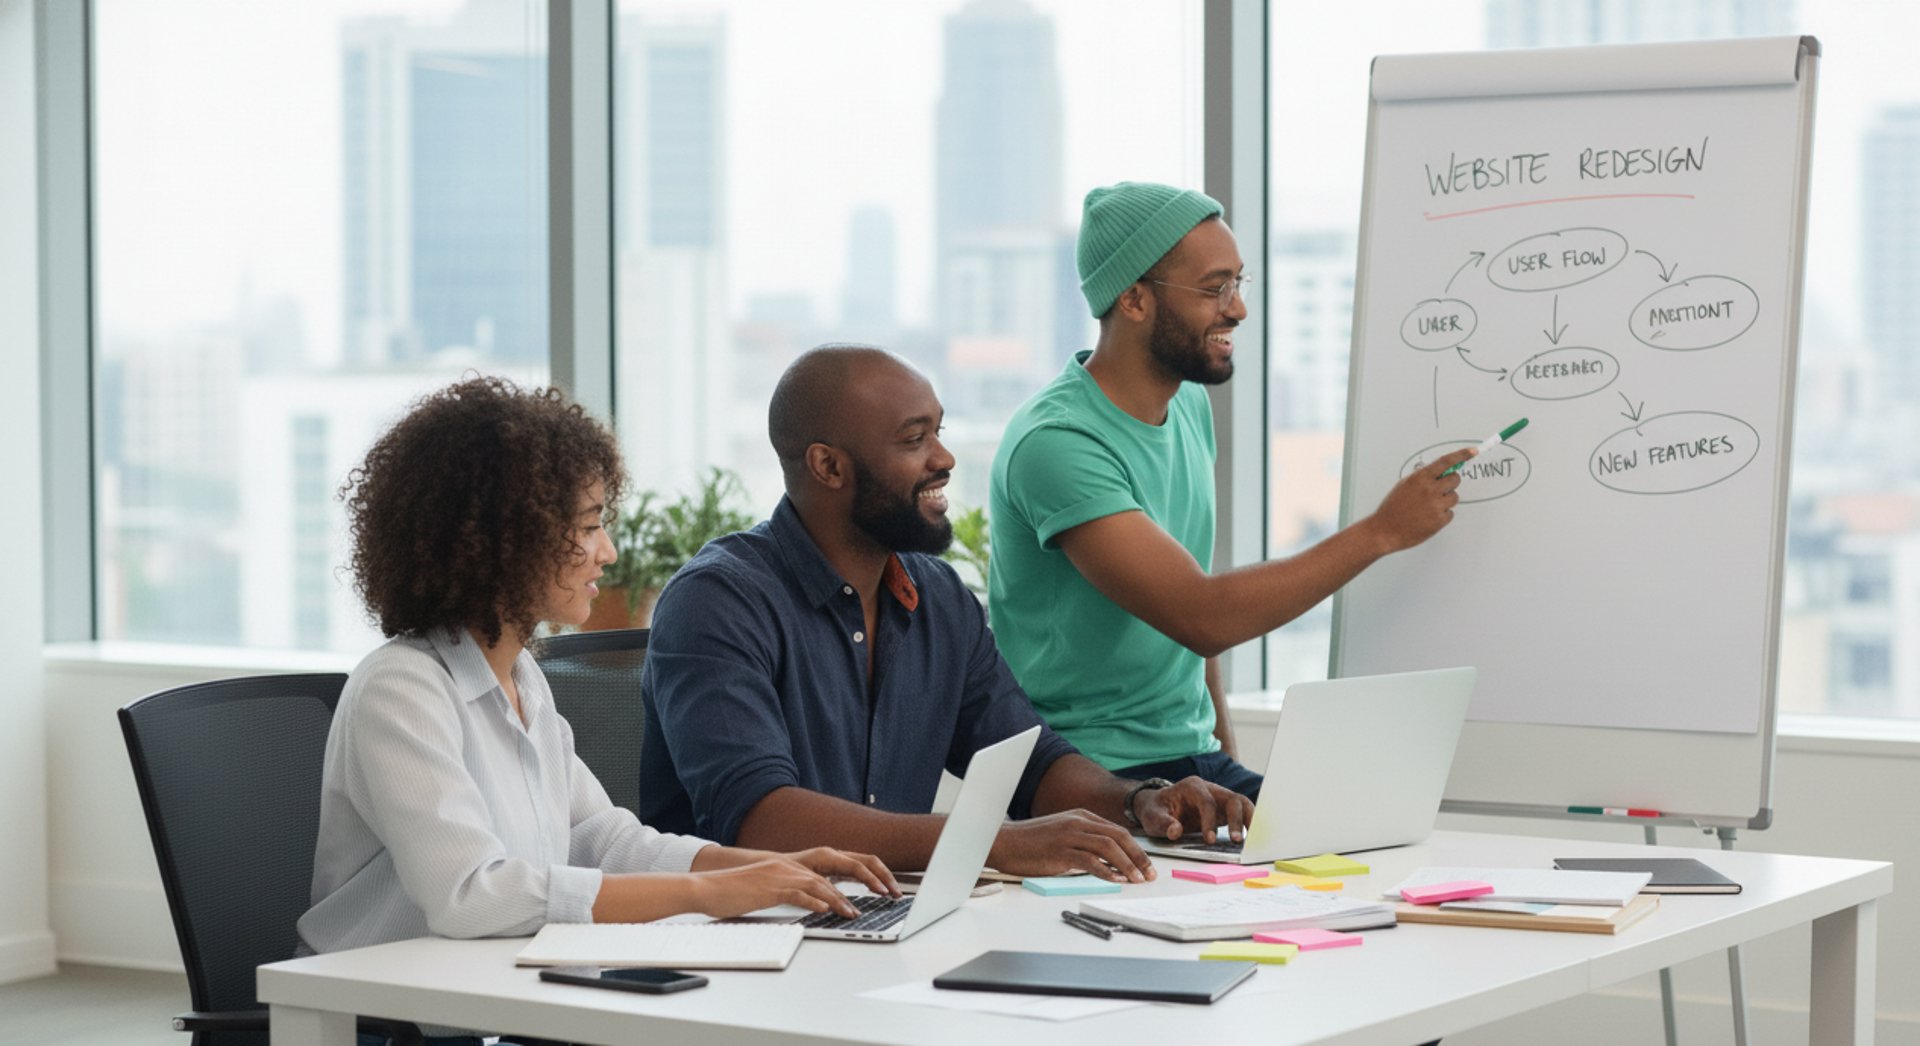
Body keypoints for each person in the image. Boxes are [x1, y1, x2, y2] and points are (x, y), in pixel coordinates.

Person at [299, 376, 896, 1045]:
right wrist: (705, 895)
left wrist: (762, 870)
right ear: (505, 541)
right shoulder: (401, 689)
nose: (606, 553)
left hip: (493, 998)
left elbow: (605, 840)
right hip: (383, 1021)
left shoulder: (523, 677)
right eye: (587, 528)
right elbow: (473, 896)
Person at [639, 346, 1254, 883]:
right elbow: (761, 819)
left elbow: (1031, 763)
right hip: (737, 943)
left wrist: (1140, 799)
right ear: (828, 466)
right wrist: (990, 843)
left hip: (877, 923)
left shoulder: (935, 596)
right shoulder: (717, 602)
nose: (944, 458)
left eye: (939, 430)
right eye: (915, 439)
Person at [988, 182, 1472, 803]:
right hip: (1088, 779)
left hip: (1192, 761)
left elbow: (1188, 605)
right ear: (1133, 300)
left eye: (1240, 284)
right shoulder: (1058, 443)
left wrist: (1223, 752)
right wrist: (1380, 532)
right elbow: (1200, 614)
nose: (1238, 309)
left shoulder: (1187, 404)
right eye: (1215, 288)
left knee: (1364, 840)